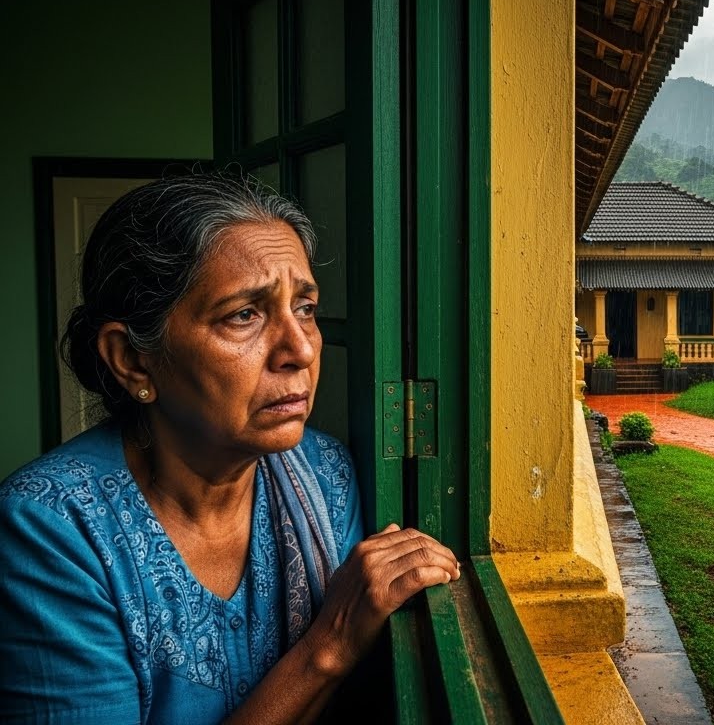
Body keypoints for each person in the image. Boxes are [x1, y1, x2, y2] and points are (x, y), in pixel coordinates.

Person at [0, 174, 459, 724]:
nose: (299, 350)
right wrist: (331, 642)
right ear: (132, 359)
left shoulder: (325, 477)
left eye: (306, 308)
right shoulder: (51, 528)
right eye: (245, 315)